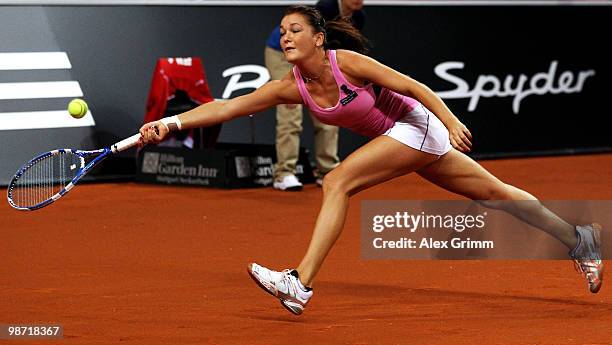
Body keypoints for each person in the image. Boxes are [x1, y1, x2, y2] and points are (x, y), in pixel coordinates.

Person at [140, 5, 604, 315]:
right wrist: (172, 124)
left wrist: (450, 118)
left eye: (295, 30)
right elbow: (225, 106)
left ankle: (300, 282)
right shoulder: (290, 87)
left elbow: (413, 87)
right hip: (402, 138)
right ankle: (578, 238)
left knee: (338, 180)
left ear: (319, 39)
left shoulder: (348, 63)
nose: (285, 37)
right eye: (281, 32)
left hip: (418, 125)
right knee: (496, 195)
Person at [264, 0, 365, 191]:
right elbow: (308, 41)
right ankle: (284, 173)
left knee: (329, 107)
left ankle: (326, 171)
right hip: (283, 54)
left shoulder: (358, 17)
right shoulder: (325, 8)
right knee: (290, 110)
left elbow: (348, 49)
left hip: (317, 58)